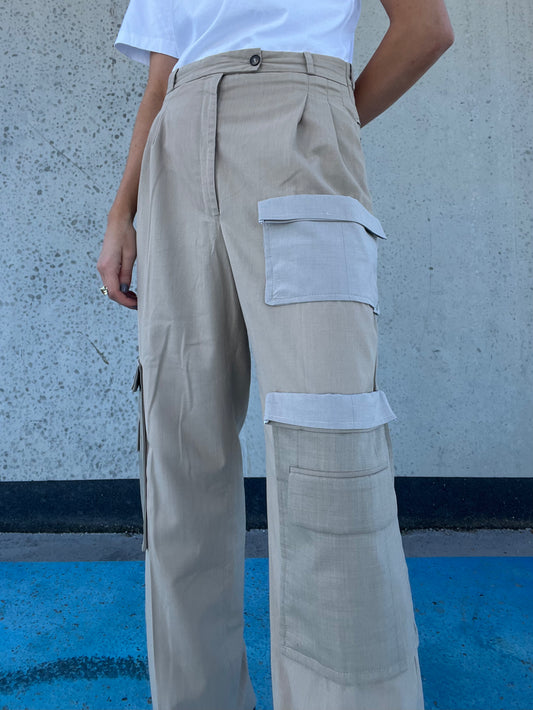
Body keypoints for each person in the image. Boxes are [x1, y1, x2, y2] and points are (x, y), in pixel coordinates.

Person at [97, 1, 453, 708]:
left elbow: (425, 28)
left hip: (298, 119)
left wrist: (328, 118)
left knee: (329, 450)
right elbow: (162, 80)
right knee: (179, 447)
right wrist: (121, 211)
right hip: (177, 148)